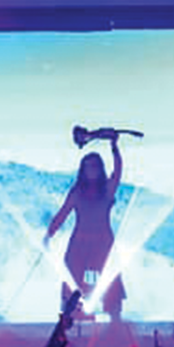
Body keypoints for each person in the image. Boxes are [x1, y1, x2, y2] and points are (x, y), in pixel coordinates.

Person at [45, 131, 125, 320]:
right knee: (74, 279)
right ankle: (72, 315)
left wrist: (114, 148)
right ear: (83, 170)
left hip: (103, 242)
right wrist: (49, 234)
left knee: (109, 281)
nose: (93, 170)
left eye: (96, 166)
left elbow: (118, 171)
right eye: (89, 167)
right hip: (80, 243)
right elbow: (63, 214)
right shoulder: (77, 192)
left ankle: (114, 316)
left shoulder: (107, 189)